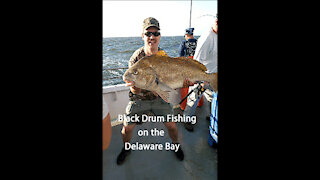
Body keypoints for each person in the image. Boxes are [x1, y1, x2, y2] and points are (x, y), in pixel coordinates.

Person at [116, 17, 184, 165]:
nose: (152, 37)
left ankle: (175, 144)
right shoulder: (136, 58)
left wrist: (183, 82)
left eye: (155, 33)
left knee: (172, 125)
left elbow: (168, 82)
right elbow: (134, 88)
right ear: (143, 36)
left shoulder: (164, 57)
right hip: (139, 99)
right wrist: (135, 87)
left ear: (159, 36)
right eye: (148, 34)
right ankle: (126, 148)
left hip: (160, 98)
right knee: (126, 128)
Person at [184, 14, 218, 132]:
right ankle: (187, 120)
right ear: (216, 22)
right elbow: (196, 61)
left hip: (213, 76)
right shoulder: (207, 38)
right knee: (194, 98)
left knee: (211, 99)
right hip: (202, 77)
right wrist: (201, 79)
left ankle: (211, 116)